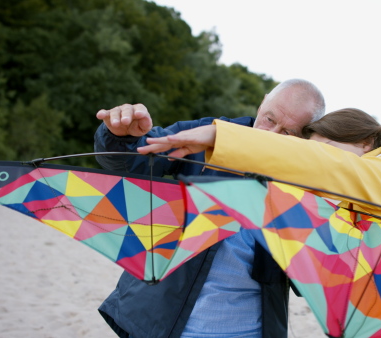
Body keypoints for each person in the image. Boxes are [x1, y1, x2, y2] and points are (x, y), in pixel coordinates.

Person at [94, 79, 325, 338]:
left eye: (287, 133)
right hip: (161, 319)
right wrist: (119, 136)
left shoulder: (306, 176)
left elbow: (313, 274)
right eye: (269, 119)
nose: (269, 135)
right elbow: (129, 161)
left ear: (305, 138)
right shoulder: (210, 133)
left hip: (250, 329)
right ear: (262, 103)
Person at [138, 108, 381, 233]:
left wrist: (222, 137)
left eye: (329, 146)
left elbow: (324, 164)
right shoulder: (366, 182)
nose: (323, 155)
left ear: (366, 142)